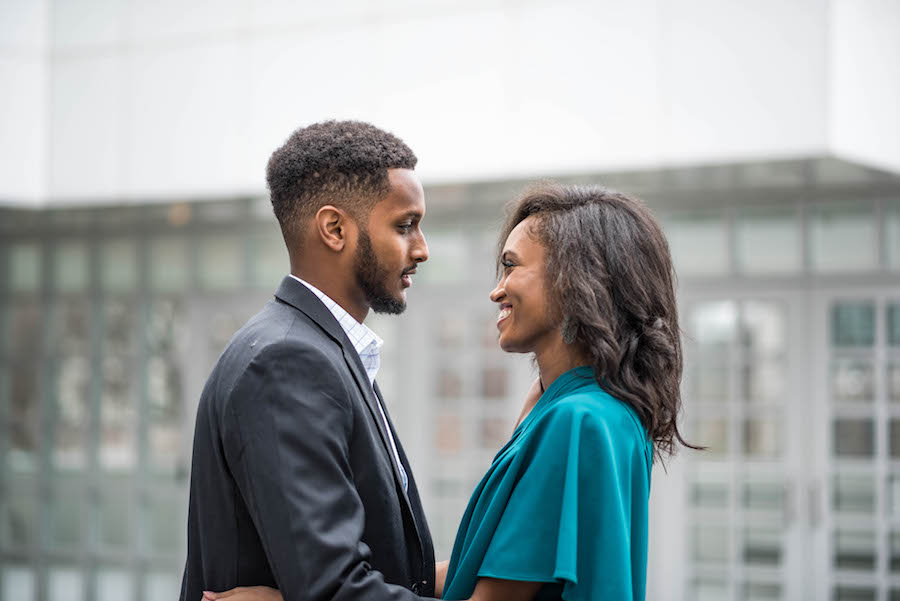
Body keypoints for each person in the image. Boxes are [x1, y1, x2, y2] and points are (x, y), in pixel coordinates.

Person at [207, 182, 692, 601]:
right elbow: (480, 575)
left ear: (579, 281)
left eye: (511, 265)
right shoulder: (596, 411)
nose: (496, 291)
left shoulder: (577, 421)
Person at [179, 120, 438, 601]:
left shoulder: (322, 348)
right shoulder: (287, 362)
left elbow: (395, 572)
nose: (421, 249)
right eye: (405, 226)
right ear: (335, 229)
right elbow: (334, 590)